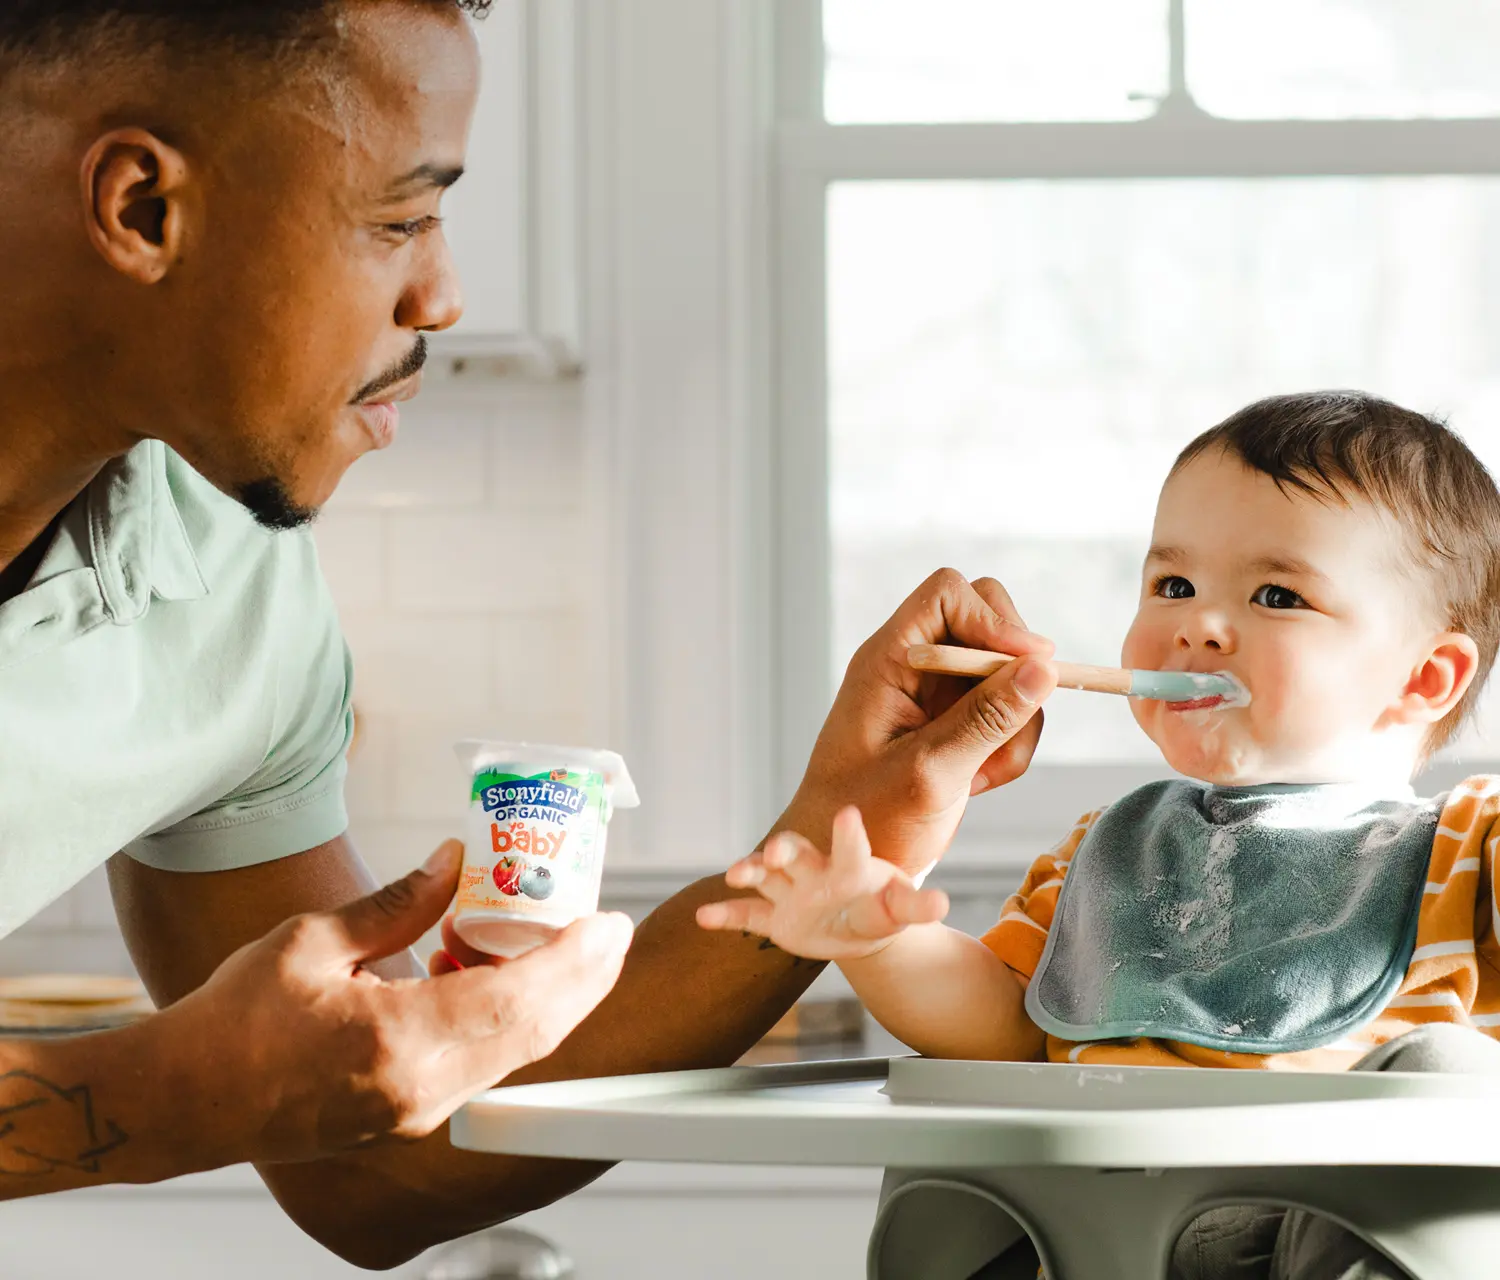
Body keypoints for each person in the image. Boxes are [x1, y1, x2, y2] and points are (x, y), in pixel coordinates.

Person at [0, 0, 1062, 1269]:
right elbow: (236, 1092)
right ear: (142, 208)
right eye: (399, 219)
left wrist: (838, 839)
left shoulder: (228, 583)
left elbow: (373, 1162)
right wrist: (175, 1092)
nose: (442, 296)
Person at [700, 390, 1500, 1280]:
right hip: (1092, 1239)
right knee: (961, 1128)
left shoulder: (1470, 848)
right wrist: (880, 937)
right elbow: (1002, 1027)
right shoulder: (1109, 849)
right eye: (1173, 585)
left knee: (1447, 1065)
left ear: (1427, 676)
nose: (1196, 622)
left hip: (1316, 1231)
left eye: (1277, 595)